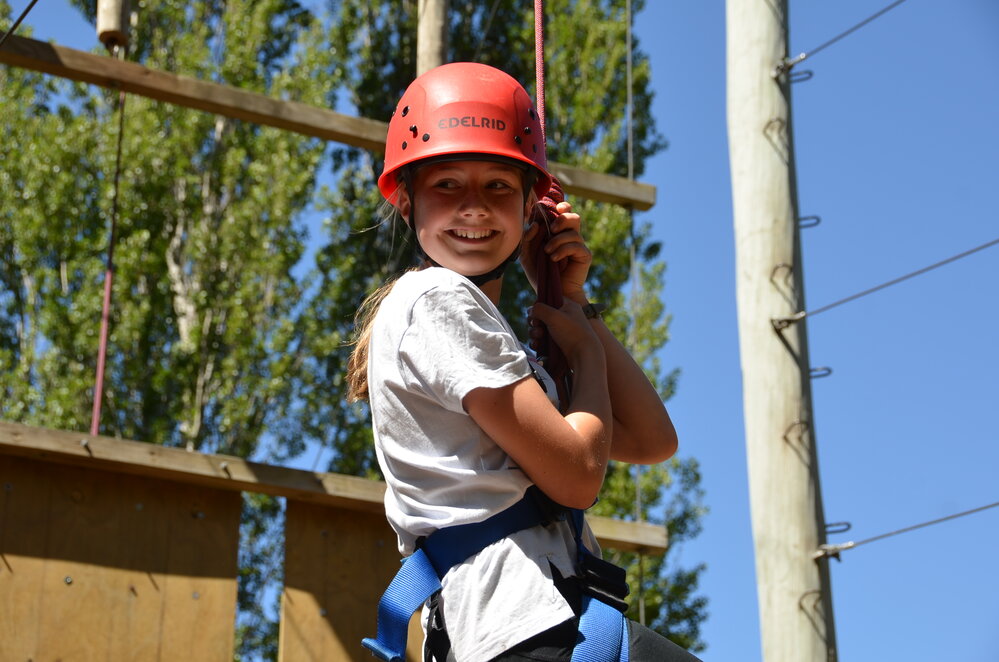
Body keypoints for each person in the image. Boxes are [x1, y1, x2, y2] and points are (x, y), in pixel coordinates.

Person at [347, 62, 701, 662]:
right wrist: (583, 351)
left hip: (532, 623)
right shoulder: (436, 301)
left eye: (499, 188)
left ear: (531, 209)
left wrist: (569, 301)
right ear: (406, 202)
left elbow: (650, 438)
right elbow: (579, 475)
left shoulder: (489, 335)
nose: (475, 208)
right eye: (448, 185)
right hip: (522, 626)